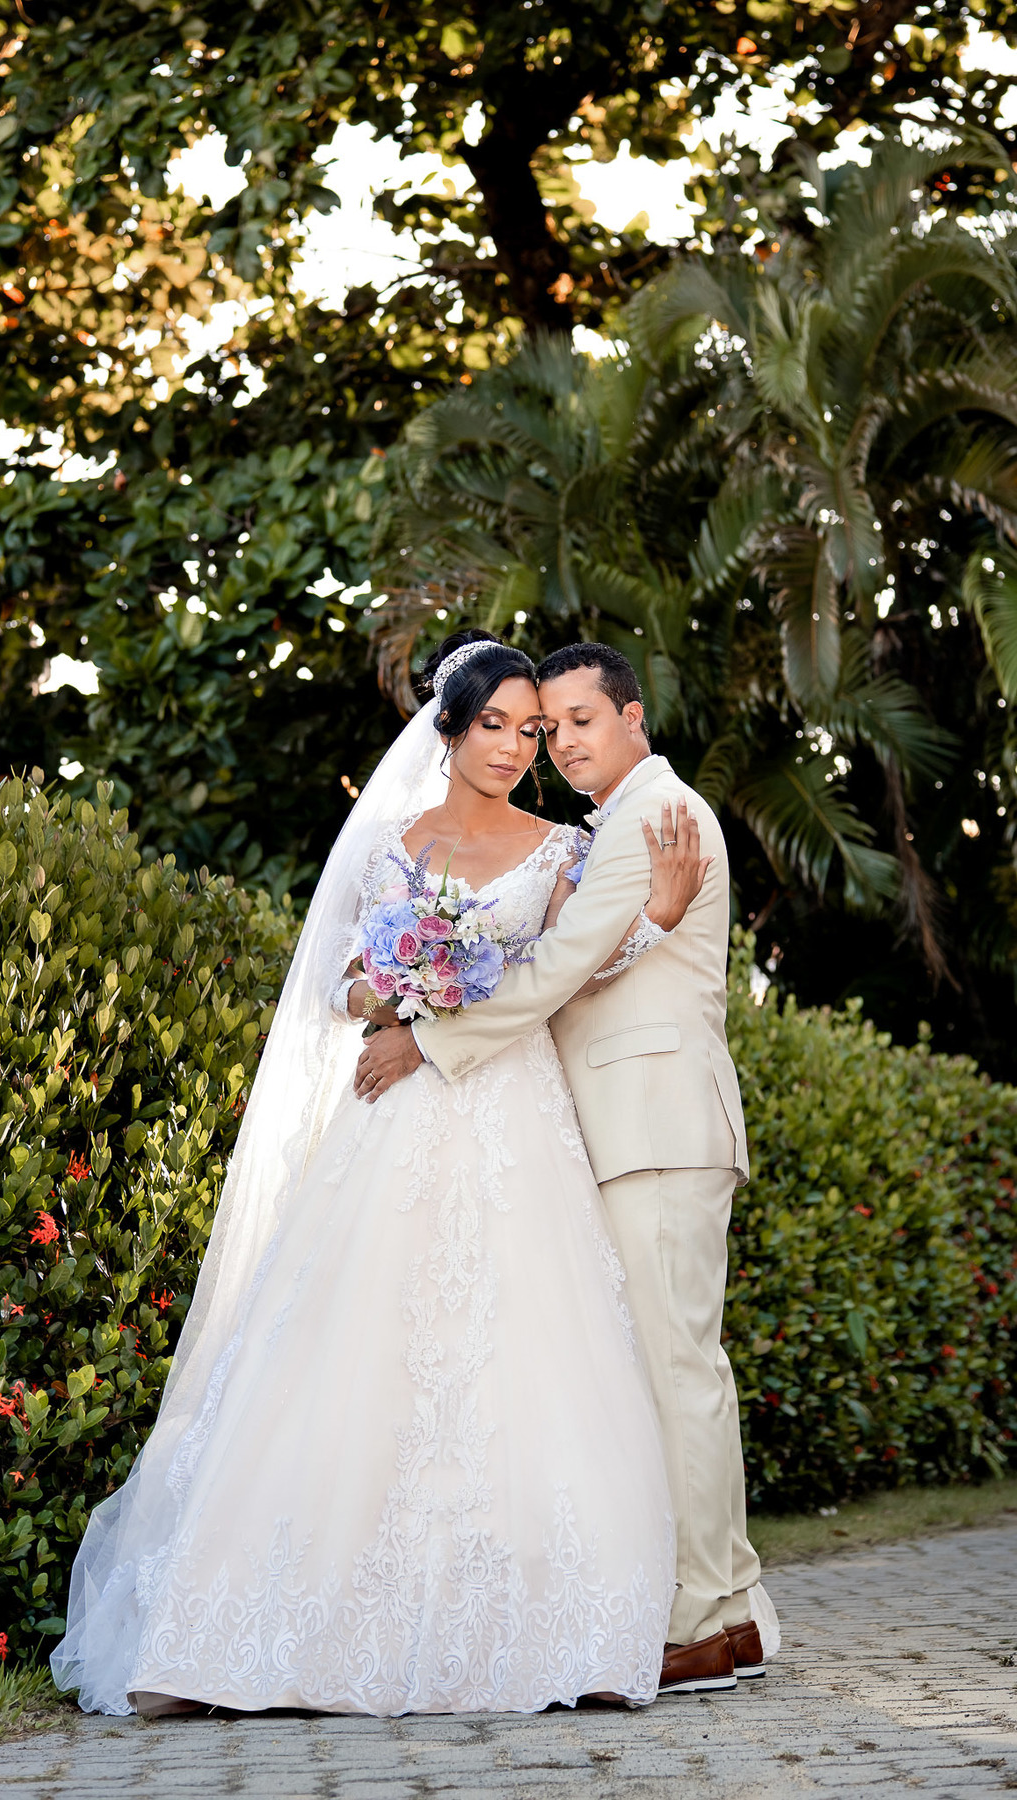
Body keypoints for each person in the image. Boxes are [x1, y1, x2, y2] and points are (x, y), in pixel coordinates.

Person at [51, 631, 706, 1718]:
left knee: (526, 1348)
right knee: (353, 1342)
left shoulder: (562, 847)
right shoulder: (393, 840)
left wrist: (657, 921)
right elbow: (343, 977)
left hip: (512, 1117)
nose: (514, 746)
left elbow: (567, 970)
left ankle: (545, 1635)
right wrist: (395, 998)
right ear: (448, 729)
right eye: (493, 725)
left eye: (533, 730)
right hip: (394, 1114)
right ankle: (265, 1633)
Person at [355, 642, 778, 1695]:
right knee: (667, 1372)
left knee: (680, 1374)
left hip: (658, 1125)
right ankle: (723, 1608)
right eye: (553, 726)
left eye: (581, 720)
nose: (564, 742)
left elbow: (554, 969)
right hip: (630, 1125)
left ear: (634, 717)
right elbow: (592, 960)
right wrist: (655, 921)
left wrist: (430, 1040)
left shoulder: (653, 816)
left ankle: (707, 1614)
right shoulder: (620, 827)